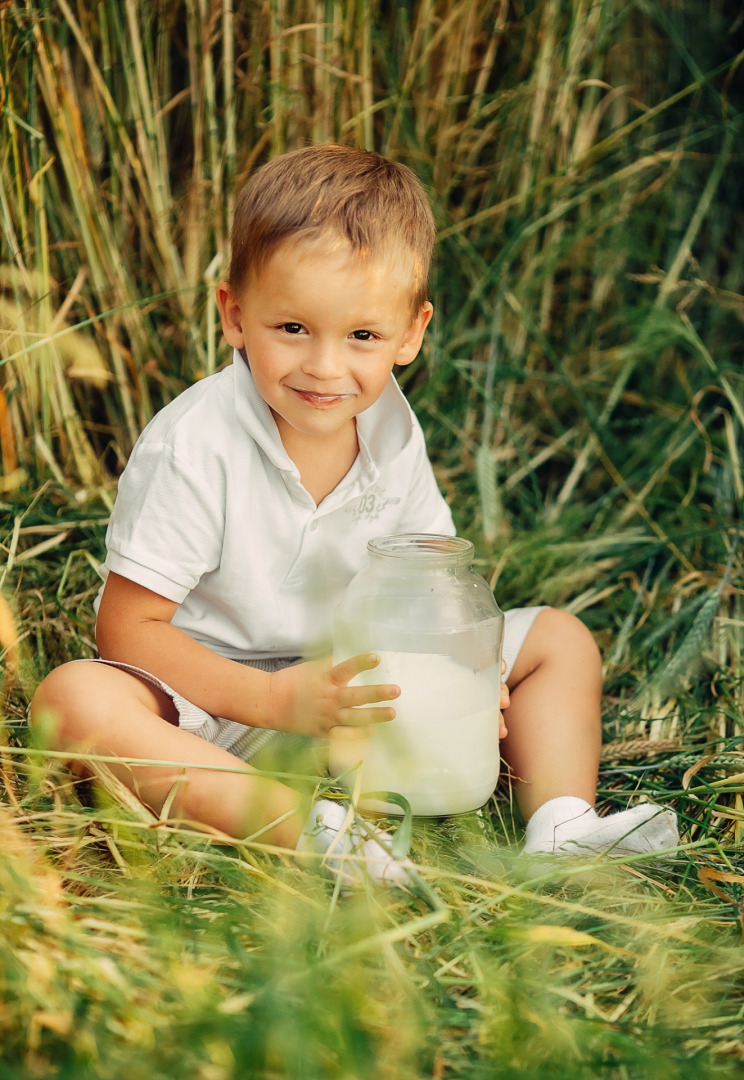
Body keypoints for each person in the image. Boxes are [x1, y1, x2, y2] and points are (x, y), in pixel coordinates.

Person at [30, 145, 678, 887]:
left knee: (558, 639)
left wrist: (465, 676)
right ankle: (311, 834)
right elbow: (127, 630)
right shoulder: (194, 445)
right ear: (235, 315)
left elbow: (430, 580)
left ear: (411, 333)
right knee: (74, 699)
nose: (326, 368)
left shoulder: (393, 432)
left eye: (362, 336)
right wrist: (274, 698)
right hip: (212, 703)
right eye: (294, 329)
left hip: (361, 687)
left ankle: (561, 824)